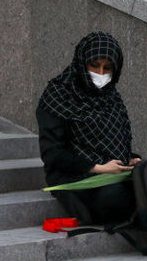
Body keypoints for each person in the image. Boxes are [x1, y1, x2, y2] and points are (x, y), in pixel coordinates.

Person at [36, 31, 139, 225]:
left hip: (113, 173)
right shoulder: (58, 95)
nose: (100, 74)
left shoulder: (111, 96)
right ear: (82, 62)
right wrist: (98, 168)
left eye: (107, 68)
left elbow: (112, 142)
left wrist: (130, 159)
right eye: (95, 65)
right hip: (74, 176)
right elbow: (53, 154)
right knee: (117, 197)